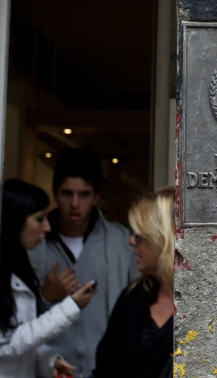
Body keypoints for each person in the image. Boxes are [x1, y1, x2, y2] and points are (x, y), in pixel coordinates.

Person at [27, 149, 138, 377]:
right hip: (51, 371)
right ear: (55, 193)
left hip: (109, 371)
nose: (75, 203)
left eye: (84, 194)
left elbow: (138, 310)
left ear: (96, 196)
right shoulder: (34, 243)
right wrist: (46, 297)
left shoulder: (121, 242)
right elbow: (17, 324)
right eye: (67, 194)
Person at [0, 179, 97, 377]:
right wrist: (71, 306)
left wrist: (48, 359)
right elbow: (6, 345)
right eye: (39, 218)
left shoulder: (20, 265)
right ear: (15, 220)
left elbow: (21, 338)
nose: (47, 227)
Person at [93, 187, 174, 378]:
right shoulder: (132, 296)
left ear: (163, 239)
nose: (131, 241)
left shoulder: (208, 308)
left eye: (140, 236)